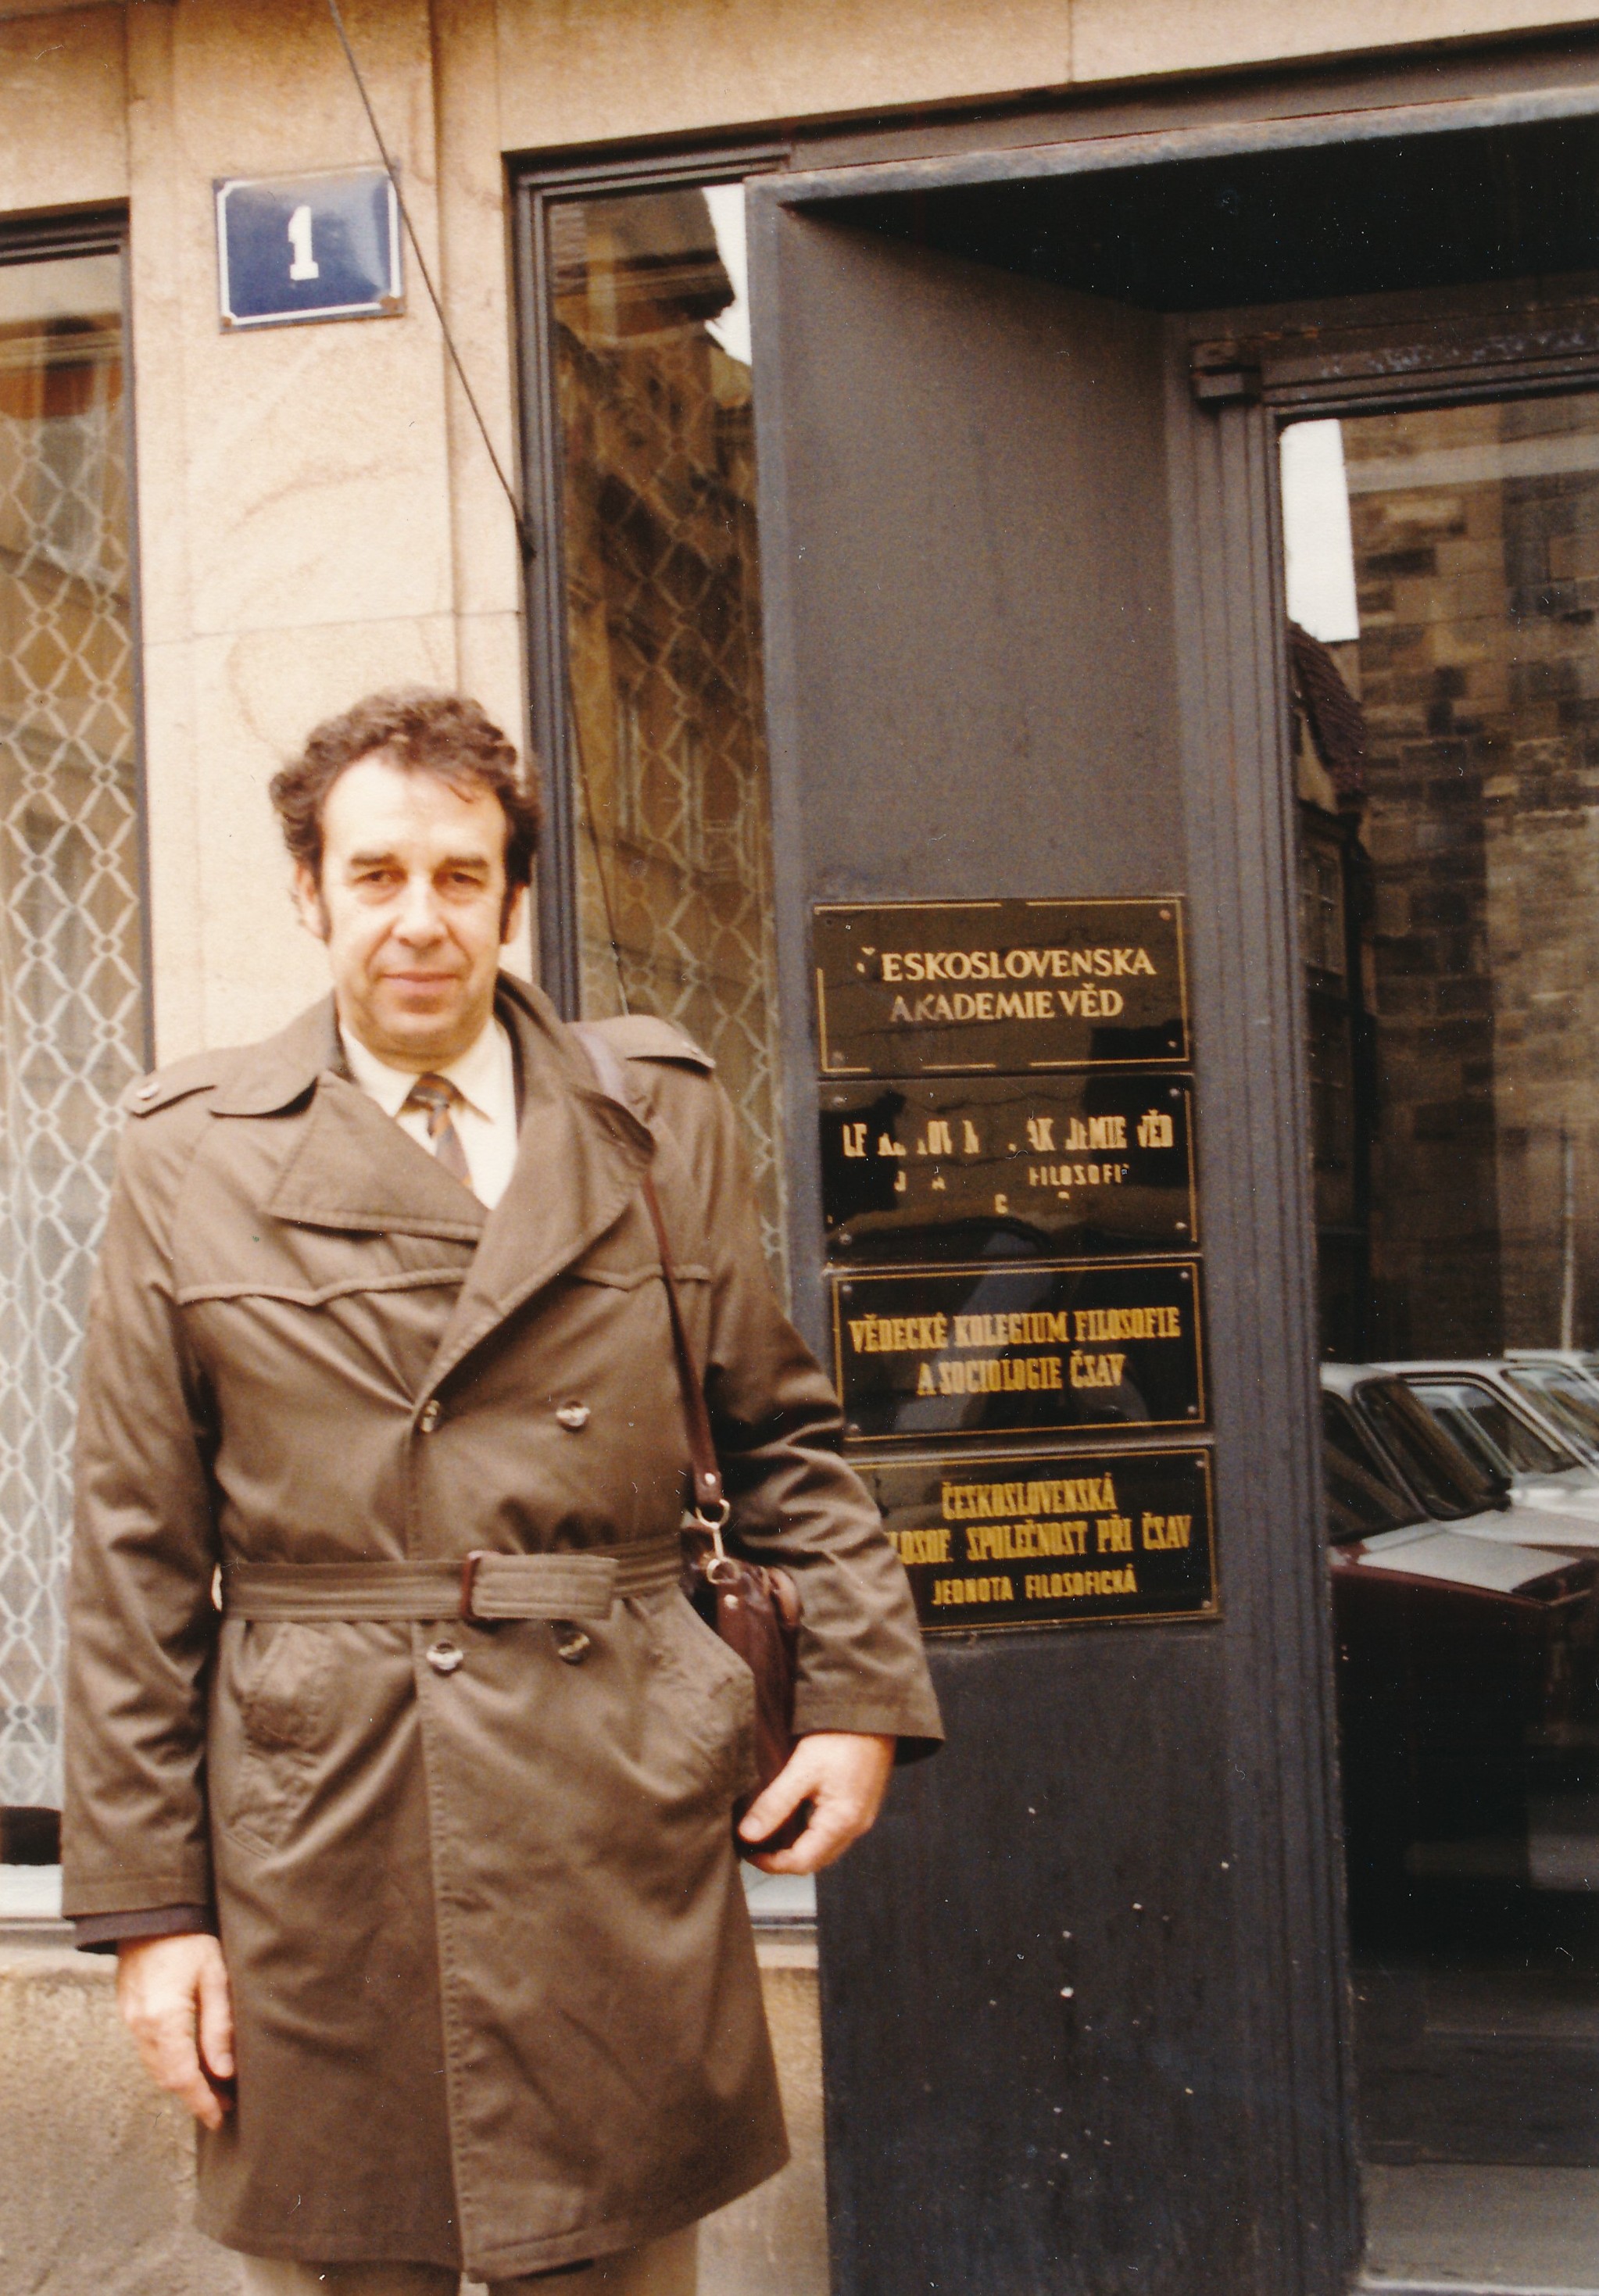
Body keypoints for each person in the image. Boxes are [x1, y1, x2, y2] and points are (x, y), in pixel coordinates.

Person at [63, 688, 942, 2295]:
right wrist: (151, 1914)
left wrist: (857, 1694)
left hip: (613, 1800)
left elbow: (782, 1434)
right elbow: (133, 1556)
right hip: (323, 1825)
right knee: (348, 2252)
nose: (420, 919)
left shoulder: (656, 1115)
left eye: (460, 876)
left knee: (615, 2257)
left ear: (514, 895)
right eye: (376, 874)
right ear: (310, 890)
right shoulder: (189, 1151)